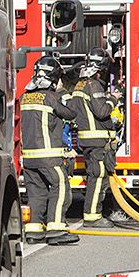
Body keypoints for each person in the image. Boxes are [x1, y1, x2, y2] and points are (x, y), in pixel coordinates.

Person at [19, 56, 79, 245]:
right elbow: (70, 114)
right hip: (49, 157)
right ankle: (56, 229)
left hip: (28, 158)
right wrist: (64, 92)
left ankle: (34, 231)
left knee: (36, 192)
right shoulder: (52, 97)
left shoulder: (24, 96)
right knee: (60, 187)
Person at [67, 49, 119, 229]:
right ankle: (93, 216)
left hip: (87, 140)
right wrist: (113, 99)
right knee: (98, 177)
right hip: (97, 141)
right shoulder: (93, 85)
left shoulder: (79, 85)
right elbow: (102, 111)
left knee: (94, 176)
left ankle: (92, 213)